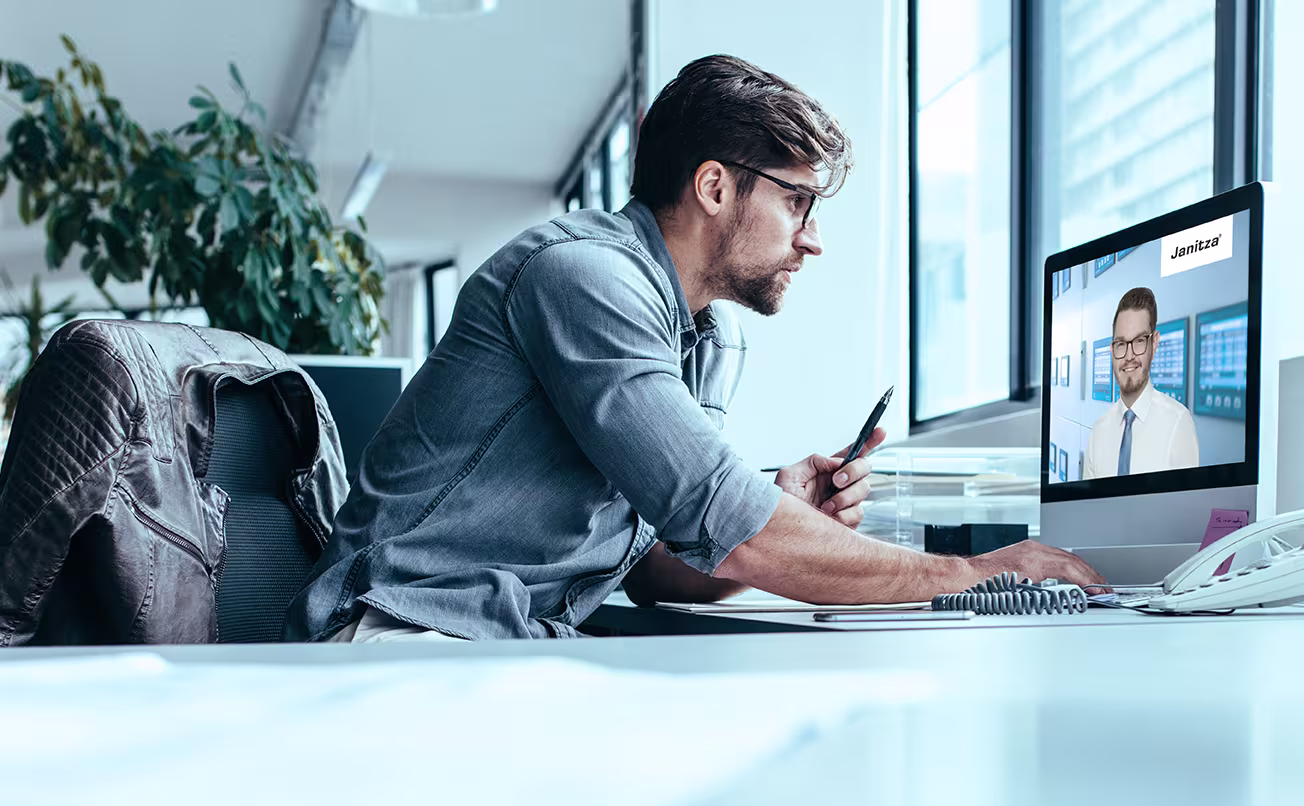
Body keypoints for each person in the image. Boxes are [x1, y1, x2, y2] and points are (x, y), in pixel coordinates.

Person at [284, 55, 1103, 643]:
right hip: (402, 632)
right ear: (715, 187)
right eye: (798, 202)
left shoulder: (709, 335)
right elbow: (729, 522)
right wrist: (978, 577)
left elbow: (651, 568)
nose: (812, 240)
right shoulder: (582, 279)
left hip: (511, 643)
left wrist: (780, 506)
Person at [1084, 287, 1200, 479]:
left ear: (1154, 344)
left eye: (1139, 341)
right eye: (1121, 343)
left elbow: (1186, 508)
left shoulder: (1178, 423)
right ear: (1112, 350)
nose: (1129, 356)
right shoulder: (1099, 431)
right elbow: (1089, 508)